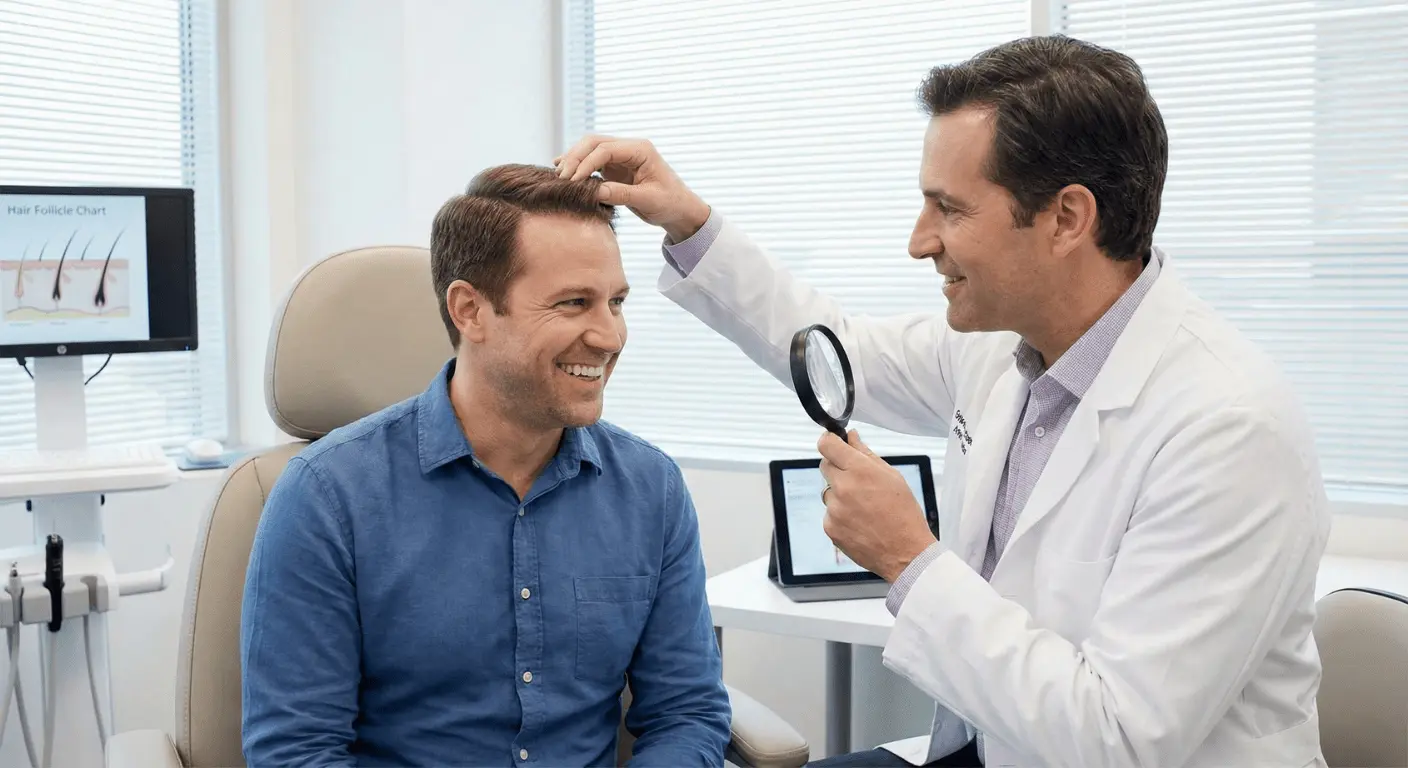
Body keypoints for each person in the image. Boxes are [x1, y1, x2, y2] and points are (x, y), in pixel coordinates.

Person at [556, 34, 1330, 768]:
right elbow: (839, 351)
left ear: (1067, 218)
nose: (920, 240)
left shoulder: (1227, 428)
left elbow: (1117, 738)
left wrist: (907, 557)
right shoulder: (1004, 347)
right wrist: (687, 221)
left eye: (950, 210)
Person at [240, 164, 731, 766]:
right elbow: (298, 751)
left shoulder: (650, 489)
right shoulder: (326, 497)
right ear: (470, 310)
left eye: (617, 303)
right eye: (574, 303)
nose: (608, 336)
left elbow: (686, 713)